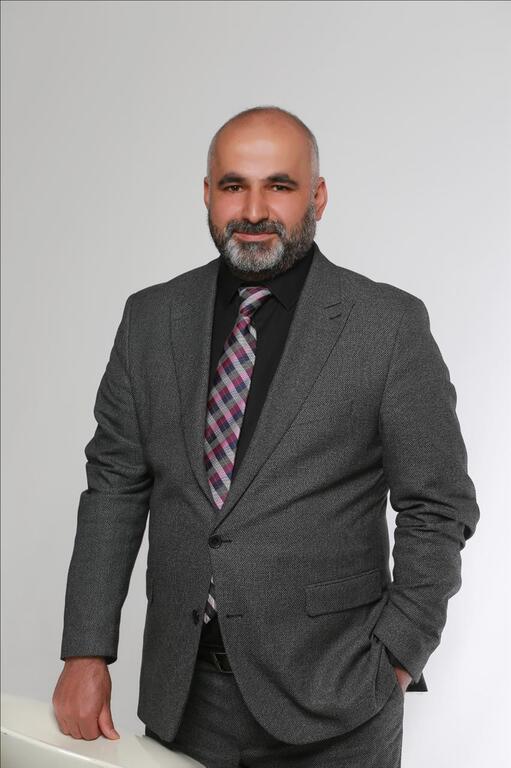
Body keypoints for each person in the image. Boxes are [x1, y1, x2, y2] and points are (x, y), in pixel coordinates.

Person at [52, 105, 480, 767]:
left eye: (279, 185)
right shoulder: (150, 320)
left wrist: (397, 656)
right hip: (184, 699)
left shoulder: (386, 325)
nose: (254, 210)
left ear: (317, 196)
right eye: (233, 186)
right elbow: (114, 487)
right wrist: (86, 651)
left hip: (338, 704)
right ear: (207, 193)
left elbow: (438, 505)